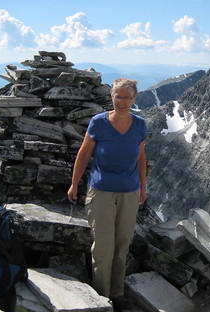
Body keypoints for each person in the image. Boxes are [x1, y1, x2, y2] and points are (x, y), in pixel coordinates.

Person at [67, 78, 147, 306]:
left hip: (130, 192)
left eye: (126, 97)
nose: (121, 101)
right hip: (101, 192)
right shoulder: (99, 123)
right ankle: (102, 298)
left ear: (134, 99)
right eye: (117, 96)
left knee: (122, 245)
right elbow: (83, 154)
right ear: (112, 97)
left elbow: (141, 158)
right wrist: (74, 184)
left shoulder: (140, 124)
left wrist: (143, 187)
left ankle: (117, 293)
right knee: (103, 247)